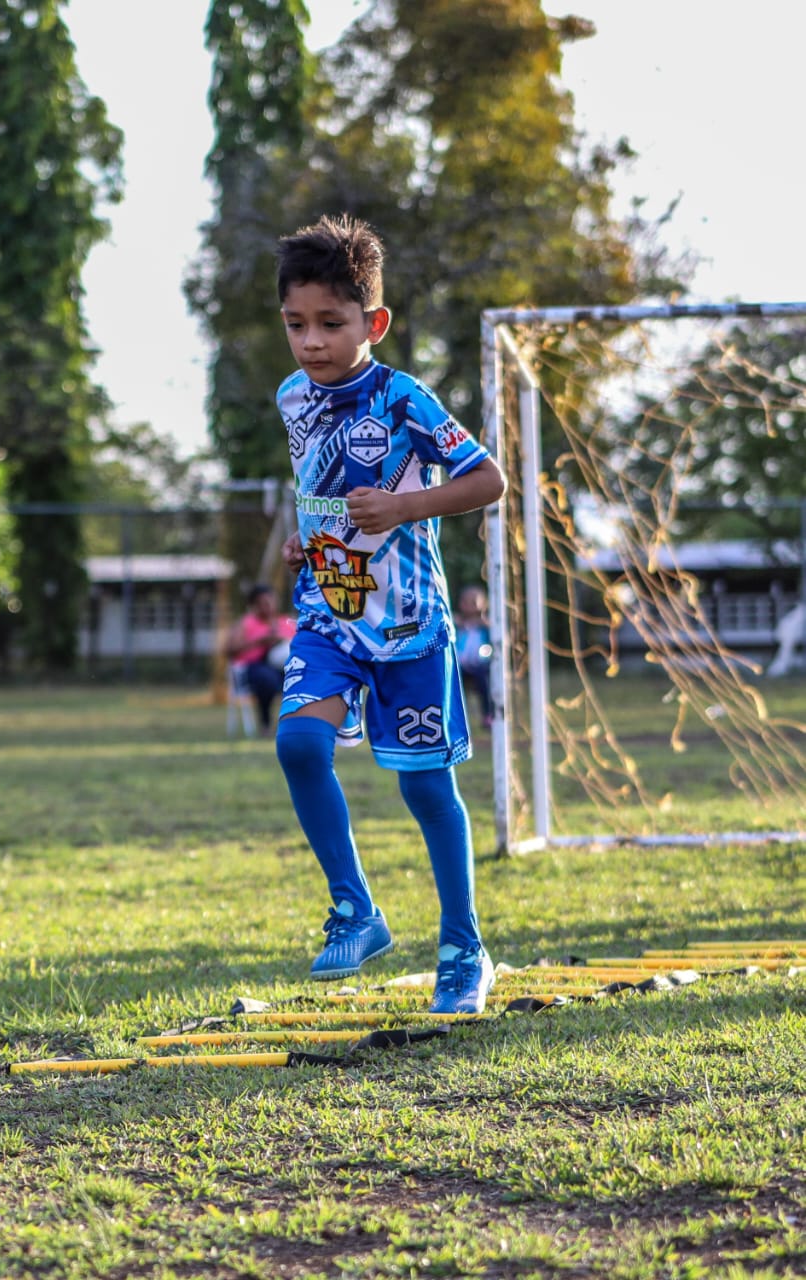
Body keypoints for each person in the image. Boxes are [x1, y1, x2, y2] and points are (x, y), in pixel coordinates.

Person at [272, 213, 506, 1016]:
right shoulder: (291, 398)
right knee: (299, 744)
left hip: (409, 628)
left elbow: (487, 482)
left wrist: (406, 508)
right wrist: (310, 542)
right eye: (296, 324)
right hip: (329, 617)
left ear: (372, 323)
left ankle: (463, 949)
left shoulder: (405, 398)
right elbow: (314, 484)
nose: (311, 342)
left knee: (425, 790)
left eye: (330, 324)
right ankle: (356, 910)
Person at [227, 584, 296, 734]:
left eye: (271, 601)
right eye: (263, 603)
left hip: (281, 667)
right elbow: (230, 650)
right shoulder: (246, 624)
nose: (268, 606)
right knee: (267, 680)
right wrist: (260, 641)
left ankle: (297, 724)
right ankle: (265, 724)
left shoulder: (285, 622)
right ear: (254, 605)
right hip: (252, 668)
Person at [455, 584, 494, 729]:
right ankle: (458, 717)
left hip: (479, 665)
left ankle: (487, 714)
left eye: (473, 602)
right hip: (461, 666)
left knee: (483, 682)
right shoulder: (457, 623)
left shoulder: (485, 625)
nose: (469, 606)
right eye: (466, 602)